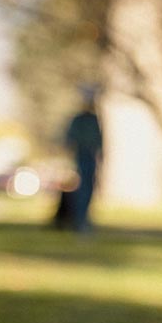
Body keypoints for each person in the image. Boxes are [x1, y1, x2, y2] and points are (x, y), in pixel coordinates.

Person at [61, 86, 103, 234]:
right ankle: (79, 220)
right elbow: (70, 138)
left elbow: (99, 139)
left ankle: (84, 218)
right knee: (82, 188)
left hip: (91, 156)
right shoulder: (79, 120)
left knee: (89, 188)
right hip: (81, 155)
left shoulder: (94, 120)